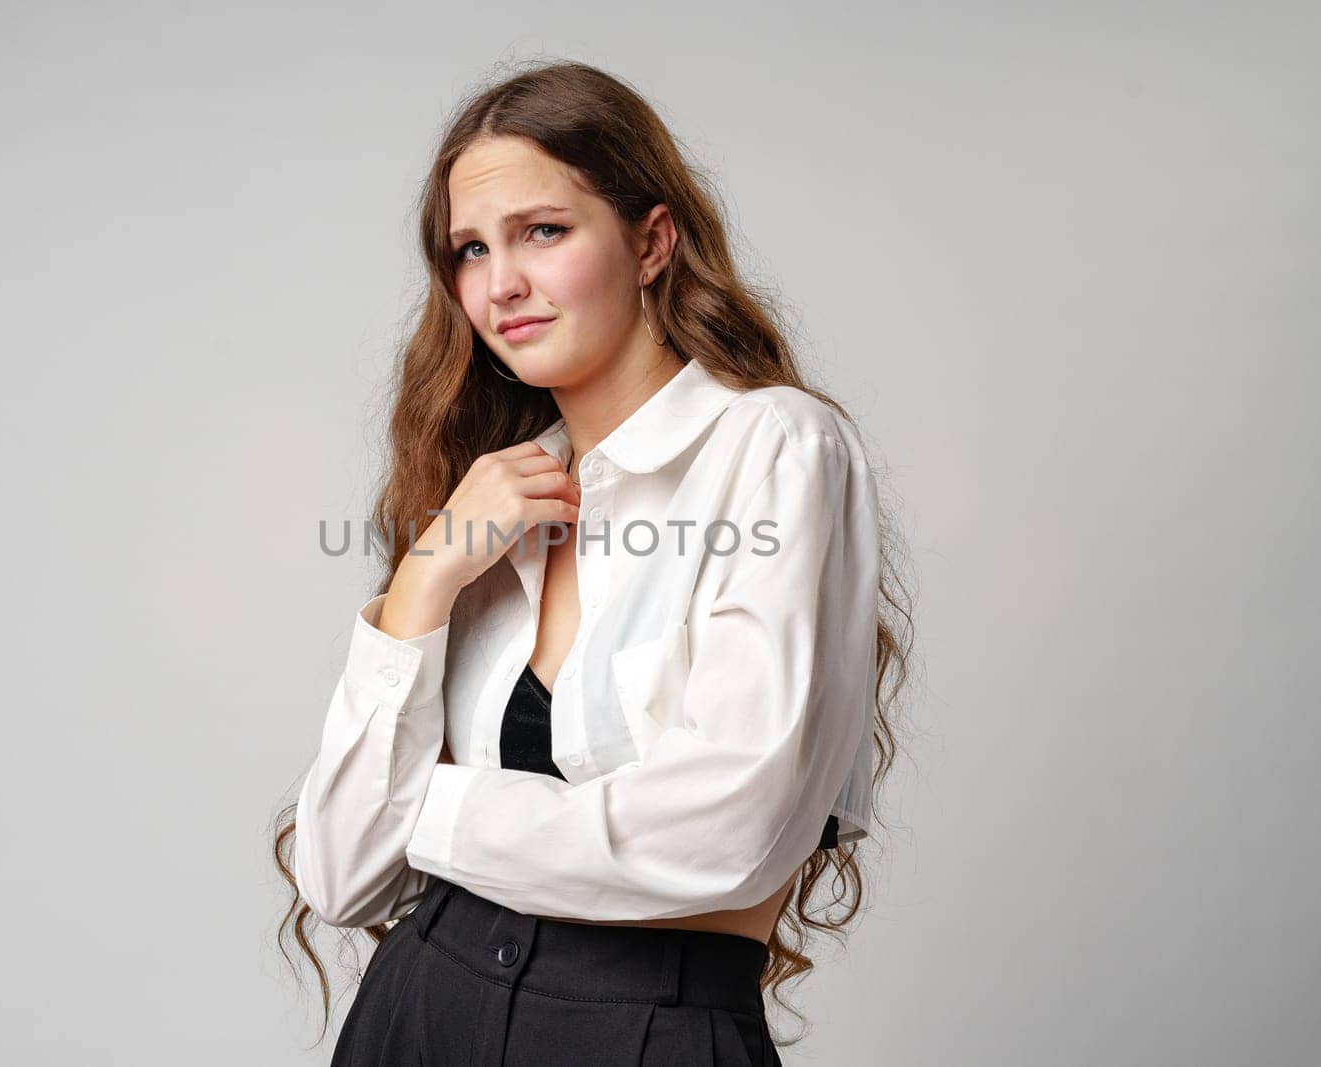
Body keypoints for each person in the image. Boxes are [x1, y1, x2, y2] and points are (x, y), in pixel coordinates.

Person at [272, 60, 915, 1066]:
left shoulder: (776, 447)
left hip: (643, 1030)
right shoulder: (491, 500)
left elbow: (723, 833)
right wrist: (426, 578)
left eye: (544, 230)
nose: (500, 283)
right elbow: (340, 868)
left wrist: (419, 804)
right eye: (470, 248)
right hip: (419, 1014)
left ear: (651, 241)